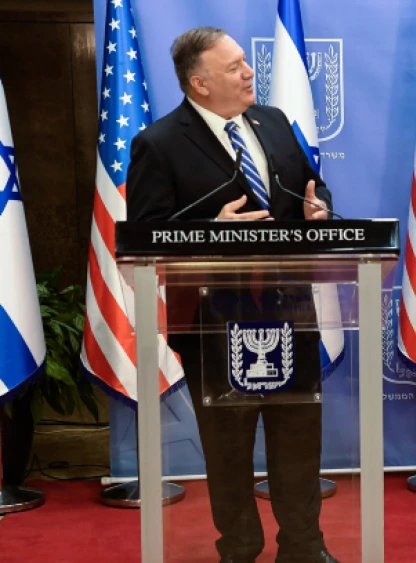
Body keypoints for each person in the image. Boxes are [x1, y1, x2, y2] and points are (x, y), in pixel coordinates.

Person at [126, 27, 336, 563]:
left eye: (246, 62)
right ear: (199, 83)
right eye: (236, 66)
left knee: (297, 439)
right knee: (228, 447)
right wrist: (208, 226)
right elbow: (145, 232)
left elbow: (309, 187)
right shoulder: (159, 142)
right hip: (213, 319)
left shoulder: (274, 122)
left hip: (289, 310)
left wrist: (319, 211)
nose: (249, 73)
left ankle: (304, 548)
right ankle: (239, 549)